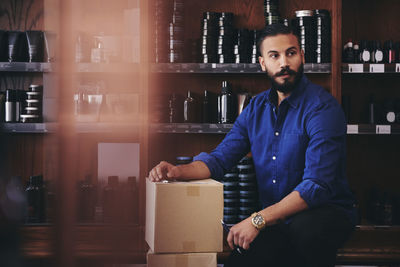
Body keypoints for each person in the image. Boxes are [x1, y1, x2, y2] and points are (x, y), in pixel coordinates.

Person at [148, 23, 356, 267]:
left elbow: (316, 185)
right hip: (276, 219)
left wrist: (257, 220)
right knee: (240, 260)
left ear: (302, 56)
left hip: (324, 214)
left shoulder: (323, 108)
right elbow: (220, 159)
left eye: (290, 53)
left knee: (306, 234)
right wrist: (177, 171)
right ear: (262, 63)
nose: (284, 63)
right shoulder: (255, 109)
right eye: (274, 55)